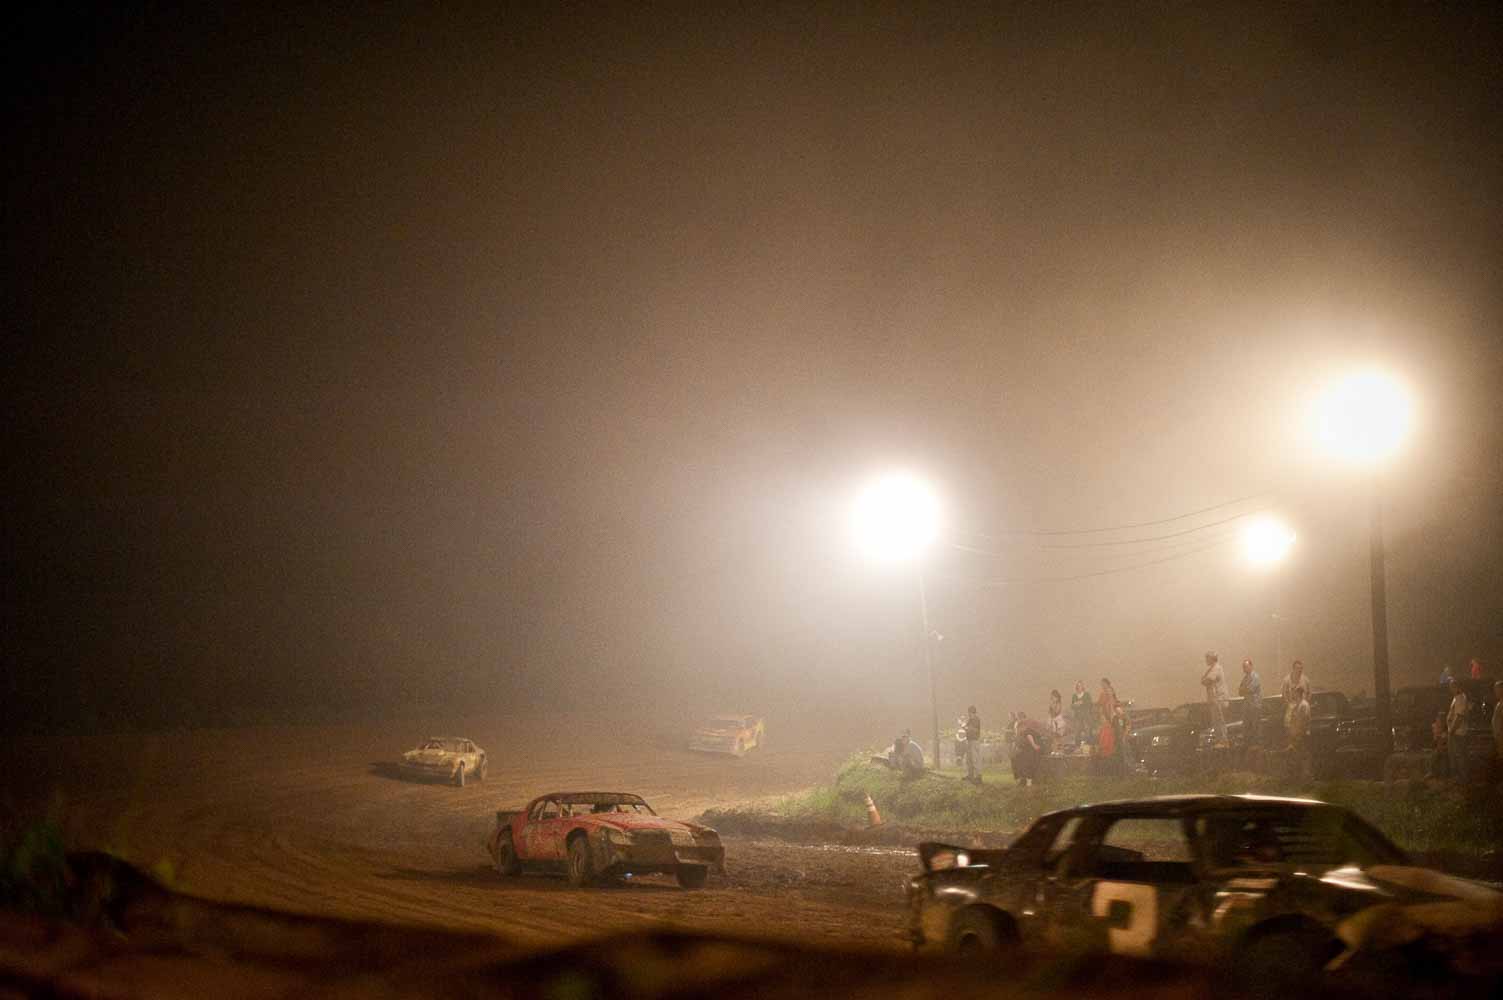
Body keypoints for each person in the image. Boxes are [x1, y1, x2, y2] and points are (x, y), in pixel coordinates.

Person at [1201, 652, 1229, 748]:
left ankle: (1224, 741)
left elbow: (1208, 680)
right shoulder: (1211, 669)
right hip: (1214, 699)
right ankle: (1219, 741)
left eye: (1207, 658)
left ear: (1212, 659)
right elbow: (1203, 680)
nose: (1206, 660)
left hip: (1219, 698)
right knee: (1216, 721)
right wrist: (1205, 680)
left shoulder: (1217, 668)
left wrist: (1205, 680)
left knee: (1220, 721)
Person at [1446, 678, 1470, 784]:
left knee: (1459, 756)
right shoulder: (1456, 698)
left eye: (1452, 686)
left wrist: (1451, 730)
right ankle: (1458, 778)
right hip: (1454, 732)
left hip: (1458, 733)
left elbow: (1459, 717)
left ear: (1457, 687)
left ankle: (1463, 779)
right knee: (1455, 755)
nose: (1450, 689)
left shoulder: (1461, 698)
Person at [1286, 687, 1312, 781]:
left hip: (1302, 734)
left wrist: (1299, 733)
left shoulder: (1304, 705)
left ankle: (1306, 776)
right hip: (1297, 734)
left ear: (1298, 693)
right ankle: (1299, 776)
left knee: (1303, 755)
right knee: (1297, 755)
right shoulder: (1297, 705)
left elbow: (1303, 721)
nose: (1293, 694)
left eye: (1294, 692)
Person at [1238, 657, 1263, 750]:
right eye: (1243, 667)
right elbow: (1240, 691)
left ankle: (1257, 744)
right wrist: (1244, 689)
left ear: (1251, 666)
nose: (1245, 668)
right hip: (1247, 705)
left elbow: (1250, 689)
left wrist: (1244, 689)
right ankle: (1248, 743)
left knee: (1255, 725)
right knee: (1247, 725)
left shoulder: (1255, 677)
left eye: (1246, 666)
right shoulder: (1245, 678)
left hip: (1255, 705)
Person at [1281, 660, 1310, 735]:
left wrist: (1305, 702)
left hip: (1302, 706)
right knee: (1290, 727)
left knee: (1302, 726)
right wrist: (1288, 704)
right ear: (1293, 669)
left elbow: (1309, 692)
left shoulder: (1305, 680)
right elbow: (1283, 694)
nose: (1300, 670)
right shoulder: (1286, 680)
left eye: (1301, 668)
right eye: (1298, 668)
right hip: (1291, 706)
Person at [1096, 678, 1119, 758]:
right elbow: (1100, 704)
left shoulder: (1110, 693)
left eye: (1103, 684)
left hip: (1111, 717)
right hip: (1107, 716)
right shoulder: (1103, 694)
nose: (1102, 685)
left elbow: (1113, 704)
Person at [962, 705, 982, 784]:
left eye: (969, 713)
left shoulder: (976, 719)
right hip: (969, 740)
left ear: (972, 712)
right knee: (969, 759)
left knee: (975, 759)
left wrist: (966, 727)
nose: (969, 714)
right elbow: (967, 728)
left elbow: (975, 730)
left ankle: (978, 776)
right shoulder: (970, 719)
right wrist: (964, 727)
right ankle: (970, 775)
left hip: (974, 741)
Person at [1071, 680, 1094, 747]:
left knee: (1088, 731)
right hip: (1078, 717)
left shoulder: (1087, 695)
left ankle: (1089, 746)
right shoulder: (1074, 696)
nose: (1079, 687)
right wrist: (1075, 704)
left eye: (1080, 686)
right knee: (1077, 732)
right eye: (1078, 686)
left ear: (1082, 687)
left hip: (1086, 716)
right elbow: (1072, 706)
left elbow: (1090, 704)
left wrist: (1082, 703)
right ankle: (1077, 746)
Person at [1491, 680, 1503, 784]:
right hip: (1498, 737)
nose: (1495, 691)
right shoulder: (1499, 703)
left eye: (1497, 689)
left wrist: (1500, 738)